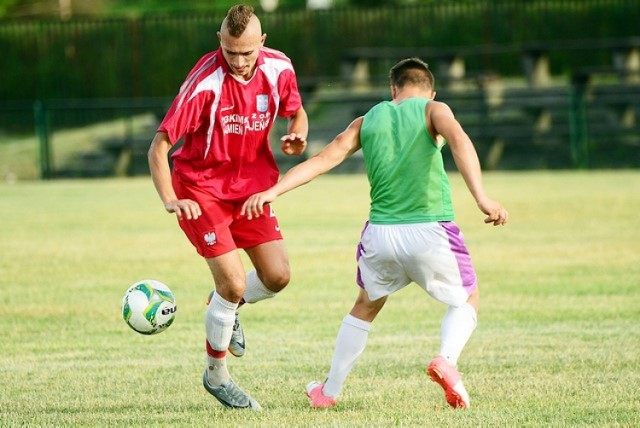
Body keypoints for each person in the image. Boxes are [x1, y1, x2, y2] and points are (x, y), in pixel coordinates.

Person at [241, 57, 508, 410]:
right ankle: (446, 360)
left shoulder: (367, 120)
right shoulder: (434, 109)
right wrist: (482, 197)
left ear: (393, 89)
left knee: (365, 306)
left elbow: (321, 160)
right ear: (430, 89)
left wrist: (273, 191)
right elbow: (459, 141)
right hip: (430, 230)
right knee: (467, 299)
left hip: (381, 236)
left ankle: (329, 392)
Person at [148, 4, 308, 411]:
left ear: (263, 43)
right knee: (234, 282)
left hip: (252, 191)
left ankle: (225, 303)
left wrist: (297, 134)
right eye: (231, 51)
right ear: (220, 41)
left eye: (247, 53)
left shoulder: (280, 68)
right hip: (200, 190)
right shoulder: (205, 82)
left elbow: (296, 110)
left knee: (277, 276)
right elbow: (160, 146)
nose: (238, 61)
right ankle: (216, 375)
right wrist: (170, 198)